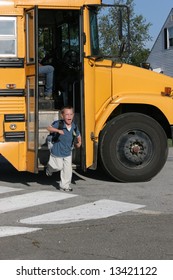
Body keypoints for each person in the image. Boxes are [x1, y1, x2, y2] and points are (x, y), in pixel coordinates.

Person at [46, 106, 82, 191]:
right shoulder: (59, 124)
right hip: (57, 150)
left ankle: (65, 186)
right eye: (67, 114)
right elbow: (48, 128)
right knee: (58, 167)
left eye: (71, 114)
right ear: (62, 116)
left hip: (68, 151)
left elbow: (78, 135)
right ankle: (49, 168)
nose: (69, 116)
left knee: (68, 170)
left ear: (73, 115)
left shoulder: (74, 126)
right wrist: (57, 131)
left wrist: (79, 142)